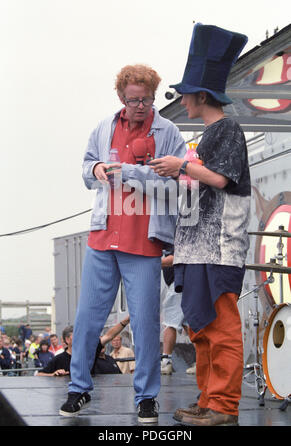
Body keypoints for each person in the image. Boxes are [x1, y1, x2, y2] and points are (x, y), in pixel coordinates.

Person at [59, 63, 186, 423]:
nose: (142, 106)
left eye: (147, 99)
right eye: (134, 100)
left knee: (146, 322)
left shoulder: (169, 132)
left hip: (144, 242)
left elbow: (175, 184)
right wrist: (97, 169)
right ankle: (78, 389)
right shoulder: (104, 127)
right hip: (102, 237)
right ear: (121, 97)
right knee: (86, 319)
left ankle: (146, 397)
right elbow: (86, 169)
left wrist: (130, 173)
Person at [150, 23, 250, 426]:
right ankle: (209, 399)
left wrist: (183, 166)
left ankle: (223, 406)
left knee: (221, 328)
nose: (182, 98)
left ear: (201, 95)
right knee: (202, 329)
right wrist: (180, 249)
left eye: (186, 92)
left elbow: (222, 180)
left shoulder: (227, 129)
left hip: (221, 247)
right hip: (198, 250)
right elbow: (200, 195)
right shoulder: (207, 135)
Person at [38, 317, 131, 378]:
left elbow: (108, 336)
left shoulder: (89, 353)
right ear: (67, 340)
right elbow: (39, 374)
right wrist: (53, 374)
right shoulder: (59, 359)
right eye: (76, 336)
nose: (81, 339)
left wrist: (125, 321)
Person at [160, 248, 187, 375]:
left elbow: (177, 256)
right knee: (188, 323)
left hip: (178, 283)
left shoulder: (174, 236)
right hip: (182, 282)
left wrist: (153, 263)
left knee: (170, 323)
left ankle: (166, 361)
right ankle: (202, 361)